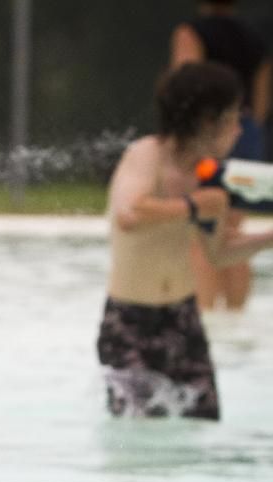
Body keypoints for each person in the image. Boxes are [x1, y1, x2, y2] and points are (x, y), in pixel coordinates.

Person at [97, 61, 273, 420]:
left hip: (184, 319)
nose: (240, 130)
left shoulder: (209, 178)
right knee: (138, 437)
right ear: (209, 121)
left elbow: (220, 254)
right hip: (130, 322)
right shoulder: (148, 155)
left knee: (200, 426)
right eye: (233, 119)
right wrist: (192, 206)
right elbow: (129, 215)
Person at [170, 0, 272, 310]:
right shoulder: (256, 40)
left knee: (203, 233)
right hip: (244, 132)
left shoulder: (191, 33)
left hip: (206, 135)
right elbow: (261, 99)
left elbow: (185, 85)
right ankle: (236, 313)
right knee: (232, 232)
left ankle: (206, 315)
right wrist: (247, 130)